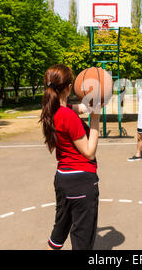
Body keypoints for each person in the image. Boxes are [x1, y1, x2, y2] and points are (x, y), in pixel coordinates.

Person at [39, 64, 100, 250]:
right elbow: (89, 152)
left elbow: (79, 107)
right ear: (68, 87)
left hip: (63, 180)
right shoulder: (67, 116)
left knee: (58, 235)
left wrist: (92, 102)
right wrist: (96, 118)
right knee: (82, 242)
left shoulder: (51, 110)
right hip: (81, 182)